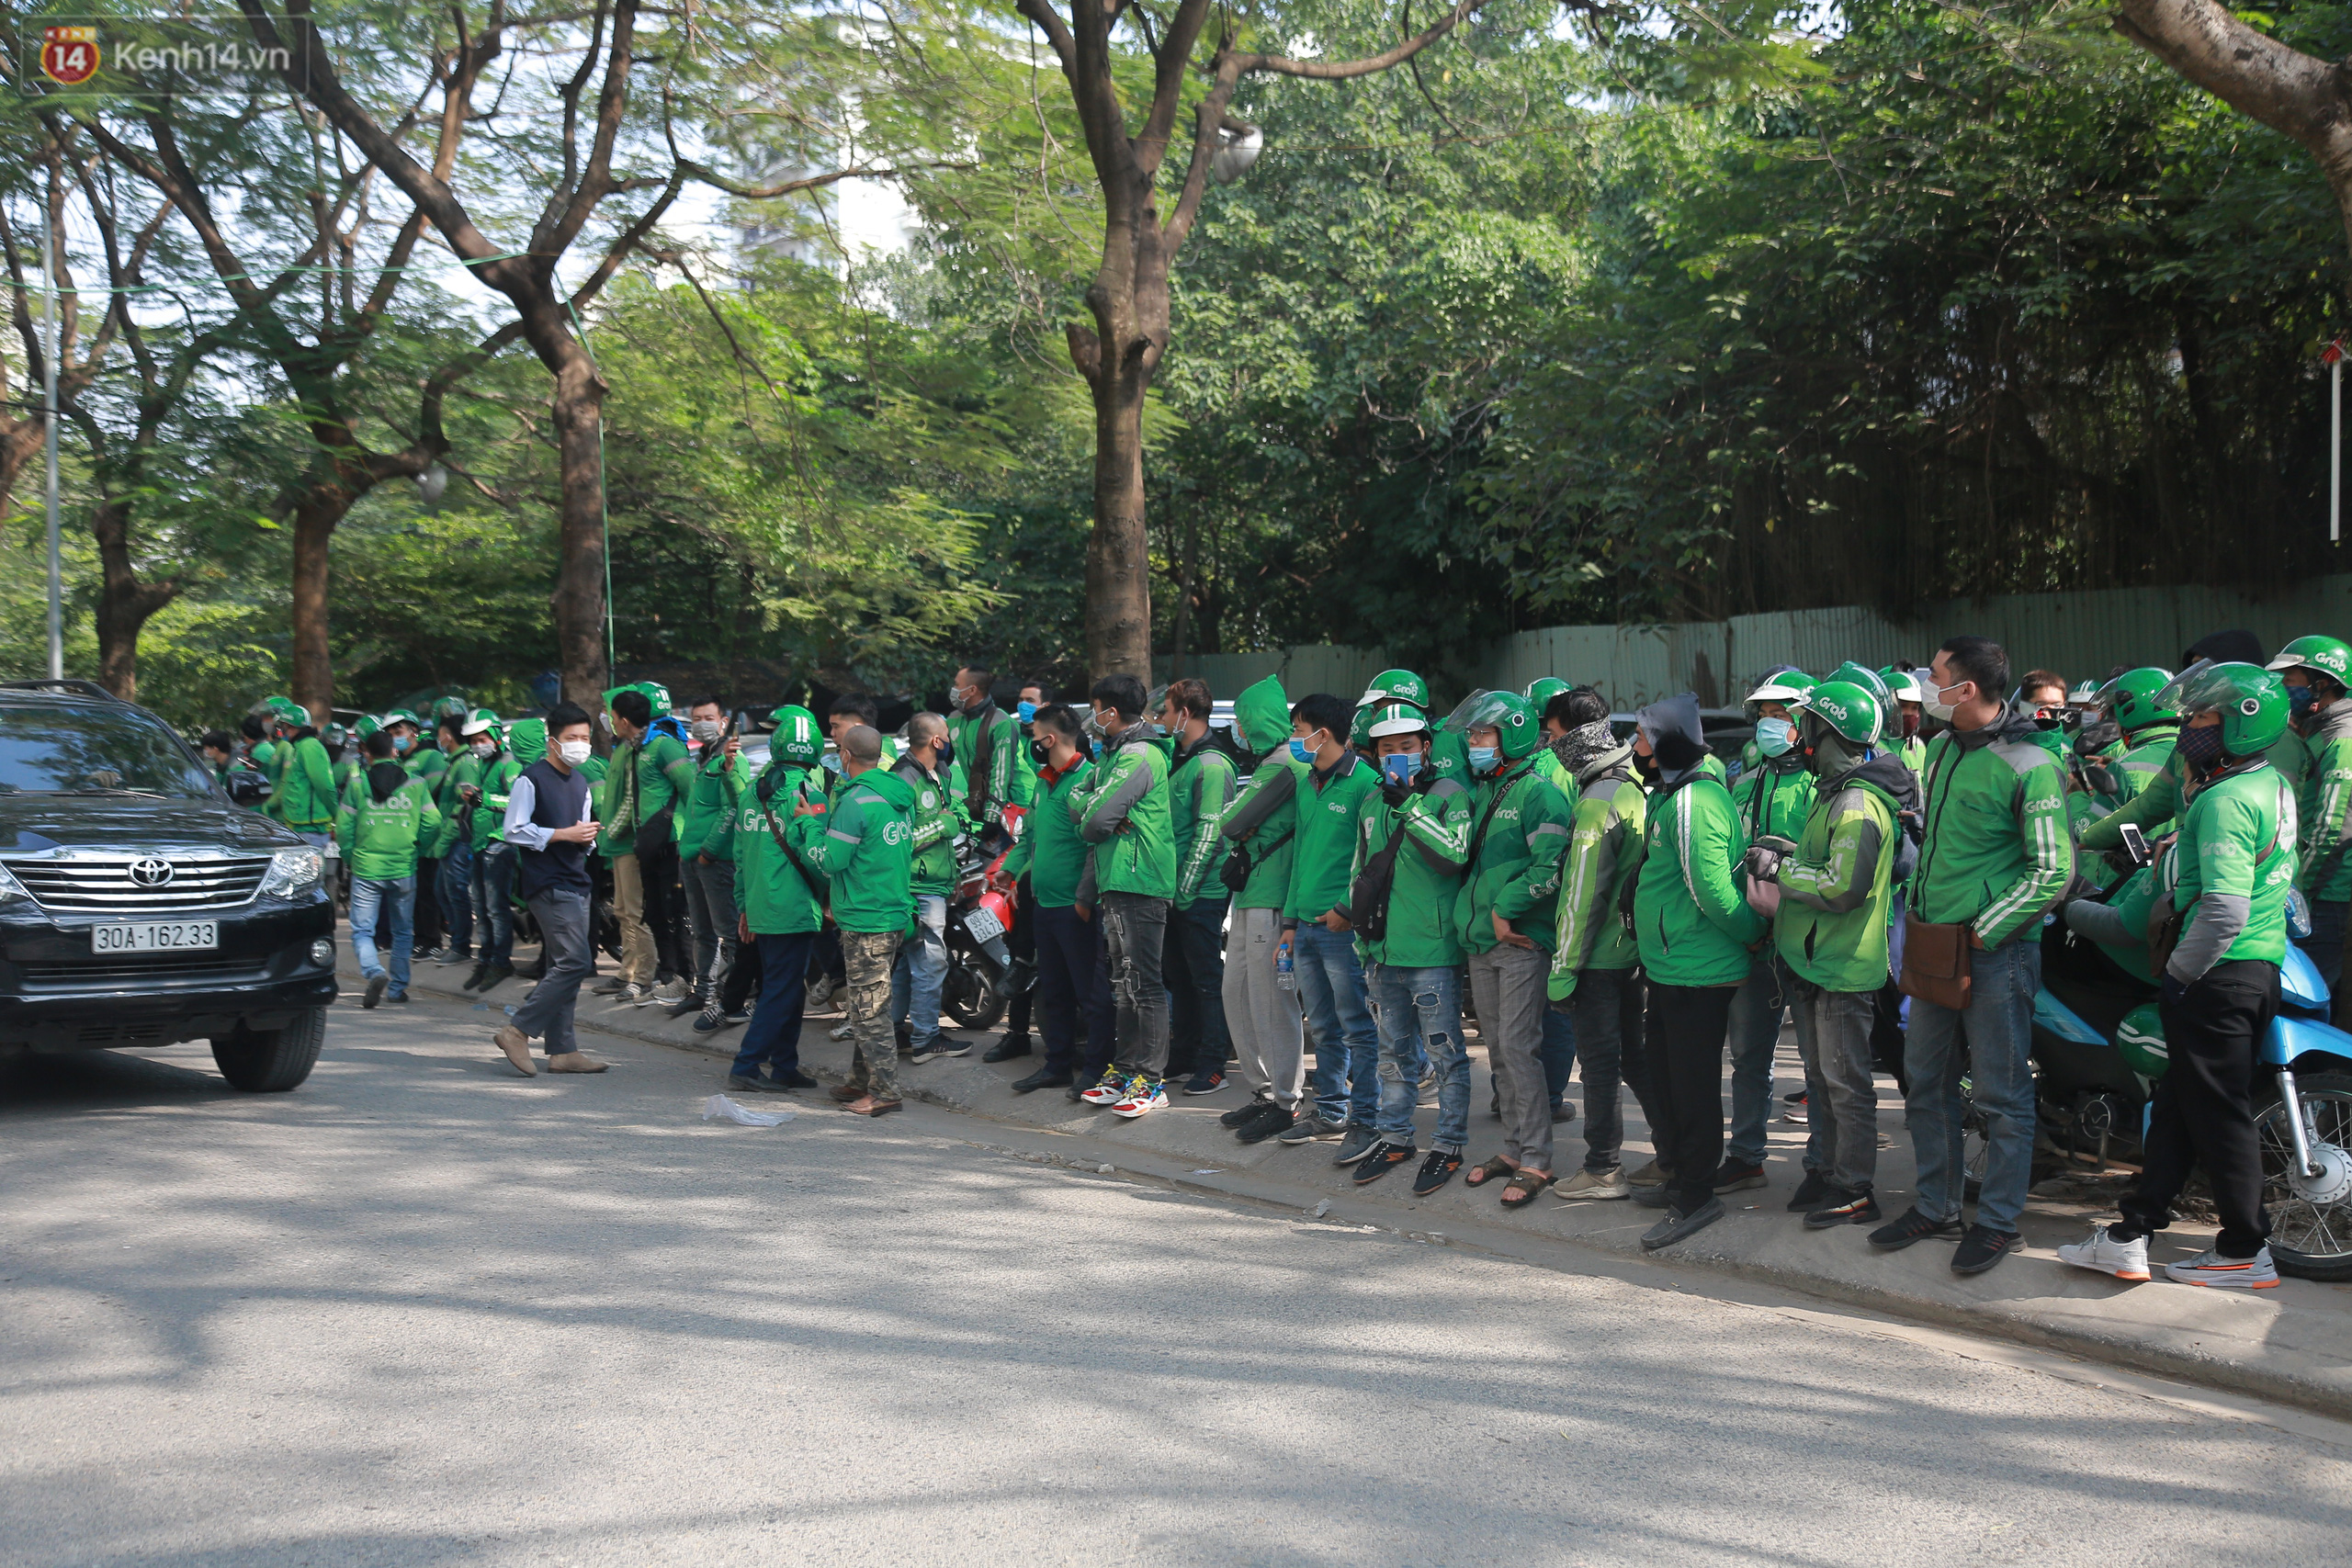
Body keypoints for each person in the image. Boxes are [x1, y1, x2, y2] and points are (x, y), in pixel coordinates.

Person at [2059, 662, 2294, 1289]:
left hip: (2218, 973)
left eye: (2203, 717)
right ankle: (2131, 1233)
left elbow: (2223, 907)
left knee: (2218, 1115)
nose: (2189, 727)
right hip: (2251, 966)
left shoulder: (2223, 801)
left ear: (2241, 724)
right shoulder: (2268, 782)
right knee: (2180, 1108)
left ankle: (2245, 1247)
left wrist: (2183, 977)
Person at [1874, 636, 2070, 1276]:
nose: (1924, 685)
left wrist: (1986, 930)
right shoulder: (1938, 750)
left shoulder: (2030, 763)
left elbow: (2053, 869)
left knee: (2001, 1094)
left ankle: (1998, 1221)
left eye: (1934, 676)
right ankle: (1937, 1204)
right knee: (1924, 1080)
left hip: (1994, 954)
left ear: (1966, 690)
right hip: (1934, 943)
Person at [1760, 680, 1915, 1230]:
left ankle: (1855, 1187)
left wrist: (1779, 870)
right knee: (1823, 1079)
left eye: (1808, 726)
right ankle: (1827, 1170)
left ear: (1832, 733)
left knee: (1847, 1084)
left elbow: (1844, 885)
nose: (1798, 736)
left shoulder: (1856, 804)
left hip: (1843, 965)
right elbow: (1822, 864)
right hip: (1814, 960)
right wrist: (1785, 852)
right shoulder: (1832, 793)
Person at [1627, 693, 1765, 1249]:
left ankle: (1698, 1194)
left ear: (1665, 744)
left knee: (1692, 1086)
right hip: (1672, 965)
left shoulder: (1694, 802)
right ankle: (1685, 1176)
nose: (1633, 748)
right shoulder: (1675, 793)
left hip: (1698, 968)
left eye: (1641, 737)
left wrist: (1752, 937)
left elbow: (1712, 890)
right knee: (1667, 1075)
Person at [1451, 690, 1573, 1209]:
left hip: (1519, 941)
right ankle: (1513, 1149)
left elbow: (1550, 867)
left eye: (1484, 733)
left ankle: (1538, 1161)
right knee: (1499, 1050)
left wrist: (1503, 911)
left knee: (1521, 1049)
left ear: (1514, 734)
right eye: (1473, 734)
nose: (1474, 742)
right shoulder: (1487, 790)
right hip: (1482, 940)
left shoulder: (1542, 794)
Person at [1345, 699, 1474, 1190]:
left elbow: (1454, 855)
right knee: (1392, 1054)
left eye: (1405, 746)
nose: (1395, 755)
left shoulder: (1448, 795)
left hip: (1432, 952)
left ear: (1425, 748)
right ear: (1375, 755)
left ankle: (1449, 1143)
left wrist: (1411, 806)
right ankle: (1395, 1136)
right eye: (1385, 749)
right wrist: (1362, 939)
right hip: (1382, 950)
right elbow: (1362, 870)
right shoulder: (1372, 800)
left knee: (1445, 1055)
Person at [1545, 687, 1652, 1201]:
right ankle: (1674, 1154)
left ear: (1576, 735)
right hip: (1629, 953)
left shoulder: (1596, 801)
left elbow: (1581, 895)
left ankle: (1603, 1168)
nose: (1552, 746)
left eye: (1554, 735)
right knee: (1635, 1059)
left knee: (1601, 1066)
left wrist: (1563, 970)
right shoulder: (1630, 784)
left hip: (1598, 960)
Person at [1715, 669, 1816, 1195]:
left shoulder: (1822, 784)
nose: (1769, 723)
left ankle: (1823, 1166)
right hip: (1754, 942)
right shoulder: (1747, 781)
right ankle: (1747, 1155)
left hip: (1805, 940)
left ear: (1805, 720)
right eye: (1764, 714)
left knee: (1819, 1064)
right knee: (1749, 1056)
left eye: (1781, 713)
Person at [1273, 692, 1383, 1157]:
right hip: (1307, 927)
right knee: (1321, 1025)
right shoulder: (1307, 783)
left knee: (1357, 1023)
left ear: (1325, 733)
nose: (1295, 740)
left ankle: (1366, 1119)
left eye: (1299, 731)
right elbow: (1301, 857)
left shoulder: (1366, 783)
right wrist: (1291, 921)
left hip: (1343, 928)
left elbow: (1373, 860)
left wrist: (1345, 910)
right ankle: (1331, 1111)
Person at [1071, 674, 1180, 1120]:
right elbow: (1079, 801)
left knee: (1143, 984)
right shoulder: (1114, 757)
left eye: (1095, 708)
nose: (1093, 718)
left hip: (1141, 880)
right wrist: (1096, 810)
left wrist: (1097, 813)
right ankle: (1128, 1069)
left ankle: (1152, 1080)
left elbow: (1094, 819)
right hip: (1118, 879)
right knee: (1124, 984)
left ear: (1110, 712)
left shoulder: (1138, 755)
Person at [797, 723, 916, 1116]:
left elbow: (831, 860)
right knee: (871, 1002)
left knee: (869, 1009)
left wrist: (809, 825)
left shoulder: (854, 802)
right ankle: (860, 1081)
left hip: (867, 919)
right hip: (893, 912)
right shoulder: (898, 796)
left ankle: (885, 1091)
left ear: (846, 755)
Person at [1208, 675, 1309, 1138]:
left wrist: (1243, 822)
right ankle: (1265, 1092)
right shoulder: (1273, 762)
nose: (1239, 733)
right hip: (1251, 893)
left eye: (1243, 723)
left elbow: (1230, 821)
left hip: (1272, 898)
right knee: (1240, 996)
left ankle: (1287, 1100)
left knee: (1271, 1003)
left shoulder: (1285, 762)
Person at [1001, 703, 1116, 1094]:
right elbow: (1030, 837)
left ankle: (1097, 1070)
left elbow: (1093, 848)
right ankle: (1057, 1065)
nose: (1030, 744)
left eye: (1034, 737)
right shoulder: (1042, 781)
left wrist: (1084, 900)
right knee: (1054, 992)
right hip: (1044, 904)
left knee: (1092, 993)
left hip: (1075, 907)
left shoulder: (1089, 780)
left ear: (1049, 739)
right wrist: (1013, 871)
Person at [492, 703, 609, 1076]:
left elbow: (580, 827)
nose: (580, 745)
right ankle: (517, 1030)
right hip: (548, 883)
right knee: (576, 961)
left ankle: (563, 1051)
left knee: (567, 966)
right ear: (553, 741)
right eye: (572, 738)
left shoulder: (579, 780)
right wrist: (563, 835)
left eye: (585, 738)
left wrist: (586, 836)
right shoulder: (531, 778)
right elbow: (514, 829)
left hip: (577, 878)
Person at [725, 705, 826, 1092]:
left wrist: (744, 906)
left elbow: (739, 857)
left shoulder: (753, 792)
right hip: (793, 908)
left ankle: (785, 1065)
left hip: (761, 907)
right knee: (780, 992)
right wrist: (828, 897)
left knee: (784, 987)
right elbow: (817, 856)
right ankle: (747, 1065)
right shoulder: (811, 795)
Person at [1159, 678, 1238, 1094]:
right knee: (1179, 975)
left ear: (1184, 714)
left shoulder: (1211, 764)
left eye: (1167, 712)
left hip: (1199, 893)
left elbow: (1210, 834)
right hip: (1176, 891)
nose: (1162, 719)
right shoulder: (1181, 758)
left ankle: (1213, 1063)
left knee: (1206, 978)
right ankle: (1185, 1053)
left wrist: (1183, 893)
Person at [2268, 636, 2352, 1009]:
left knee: (2309, 998)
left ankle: (2314, 1067)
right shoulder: (2321, 731)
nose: (2285, 689)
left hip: (2329, 892)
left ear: (2323, 683)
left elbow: (2333, 828)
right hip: (2319, 887)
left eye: (2291, 680)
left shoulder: (2343, 739)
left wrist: (2302, 890)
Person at [599, 685, 695, 1006]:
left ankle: (689, 980)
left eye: (612, 716)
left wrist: (689, 840)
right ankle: (667, 979)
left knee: (675, 913)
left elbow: (691, 791)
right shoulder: (635, 748)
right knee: (654, 913)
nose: (610, 722)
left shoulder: (663, 746)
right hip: (648, 844)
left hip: (671, 842)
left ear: (624, 720)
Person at [337, 728, 442, 1010]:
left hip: (367, 867)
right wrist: (419, 848)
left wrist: (350, 856)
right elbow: (434, 822)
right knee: (403, 931)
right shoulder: (416, 784)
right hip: (404, 866)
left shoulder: (357, 785)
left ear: (367, 754)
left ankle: (374, 972)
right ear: (395, 752)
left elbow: (345, 829)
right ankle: (397, 989)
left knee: (363, 931)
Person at [892, 712, 968, 1066]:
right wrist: (941, 825)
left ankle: (895, 1031)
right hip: (916, 886)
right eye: (947, 734)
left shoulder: (940, 774)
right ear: (936, 741)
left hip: (934, 882)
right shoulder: (903, 779)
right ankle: (926, 1039)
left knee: (910, 965)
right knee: (931, 963)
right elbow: (897, 841)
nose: (951, 738)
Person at [677, 697, 748, 1020]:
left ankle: (736, 997)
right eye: (696, 718)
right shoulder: (702, 758)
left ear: (722, 721)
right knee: (701, 931)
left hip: (715, 861)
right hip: (693, 858)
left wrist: (708, 851)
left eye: (708, 717)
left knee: (729, 932)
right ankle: (701, 991)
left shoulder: (732, 759)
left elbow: (732, 808)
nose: (701, 723)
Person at [465, 714, 526, 993]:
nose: (478, 745)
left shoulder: (509, 764)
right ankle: (486, 958)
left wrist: (484, 799)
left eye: (483, 739)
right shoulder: (483, 764)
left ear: (497, 738)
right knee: (481, 907)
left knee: (495, 907)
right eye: (474, 741)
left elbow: (518, 801)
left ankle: (501, 961)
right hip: (479, 843)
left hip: (499, 842)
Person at [946, 663, 1031, 850]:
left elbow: (1001, 773)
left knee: (1006, 870)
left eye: (957, 684)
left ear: (972, 690)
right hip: (985, 804)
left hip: (1016, 805)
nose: (953, 689)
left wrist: (992, 819)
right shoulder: (953, 720)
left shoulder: (1001, 723)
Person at [423, 711, 481, 968]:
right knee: (443, 892)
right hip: (449, 839)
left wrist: (446, 839)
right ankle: (457, 942)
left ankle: (461, 946)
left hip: (458, 839)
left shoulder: (465, 763)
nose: (438, 738)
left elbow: (464, 807)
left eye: (440, 733)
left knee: (455, 893)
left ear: (448, 736)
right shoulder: (455, 761)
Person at [263, 696, 338, 847]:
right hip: (299, 828)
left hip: (311, 831)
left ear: (291, 727)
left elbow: (324, 786)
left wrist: (337, 816)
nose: (282, 732)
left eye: (283, 727)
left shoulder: (310, 747)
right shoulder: (299, 747)